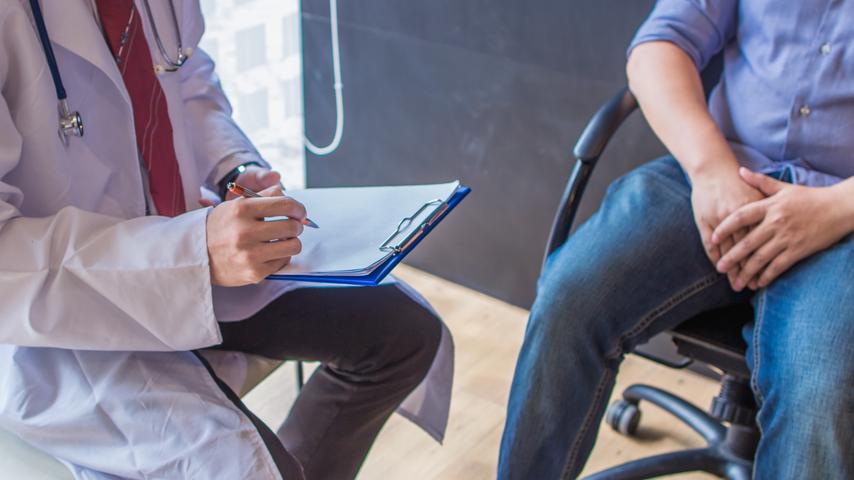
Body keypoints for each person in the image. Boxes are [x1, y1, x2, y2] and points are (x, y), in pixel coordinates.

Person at [0, 1, 453, 479]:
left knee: (405, 333)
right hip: (57, 323)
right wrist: (188, 254)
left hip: (183, 236)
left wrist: (232, 170)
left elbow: (182, 70)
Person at [499, 1, 854, 479]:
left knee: (821, 390)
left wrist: (835, 208)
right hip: (719, 171)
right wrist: (711, 171)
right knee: (571, 296)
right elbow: (658, 47)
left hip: (842, 213)